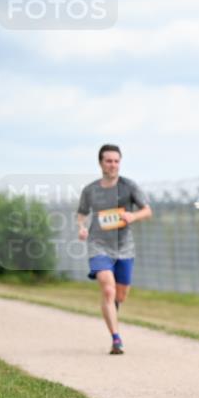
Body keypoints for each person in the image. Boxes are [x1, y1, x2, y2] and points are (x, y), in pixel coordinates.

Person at [77, 144, 153, 354]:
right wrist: (82, 227)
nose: (112, 165)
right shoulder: (90, 190)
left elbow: (147, 210)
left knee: (120, 295)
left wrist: (133, 216)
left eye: (116, 161)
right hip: (98, 245)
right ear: (100, 163)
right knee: (108, 289)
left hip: (124, 247)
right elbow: (82, 213)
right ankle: (116, 339)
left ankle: (112, 307)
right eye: (108, 161)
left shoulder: (129, 186)